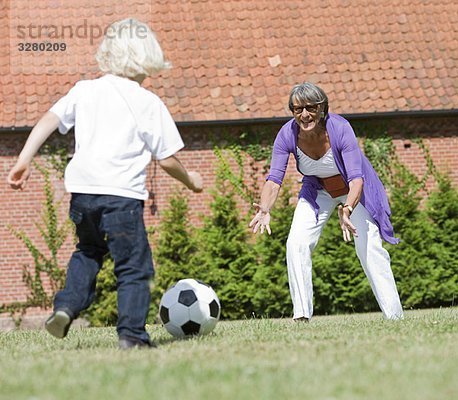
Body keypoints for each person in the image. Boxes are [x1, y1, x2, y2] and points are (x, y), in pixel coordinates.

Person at [6, 18, 203, 349]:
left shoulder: (85, 90)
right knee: (134, 268)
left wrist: (25, 158)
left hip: (82, 197)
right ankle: (132, 336)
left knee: (88, 251)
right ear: (146, 57)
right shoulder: (147, 102)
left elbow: (49, 119)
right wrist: (191, 181)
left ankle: (66, 307)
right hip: (121, 199)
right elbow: (167, 159)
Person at [249, 82, 403, 322]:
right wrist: (266, 207)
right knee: (296, 243)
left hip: (354, 192)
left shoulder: (340, 129)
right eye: (297, 109)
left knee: (369, 248)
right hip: (318, 191)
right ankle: (301, 315)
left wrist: (348, 209)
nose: (304, 114)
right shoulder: (287, 134)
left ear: (322, 108)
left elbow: (356, 178)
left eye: (310, 107)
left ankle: (394, 316)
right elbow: (274, 179)